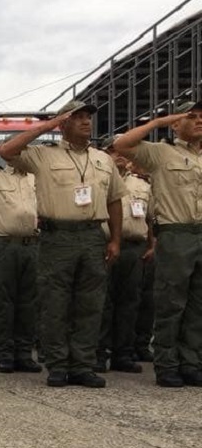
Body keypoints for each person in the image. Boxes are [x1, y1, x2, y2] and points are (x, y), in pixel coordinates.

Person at [0, 100, 125, 388]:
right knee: (54, 303)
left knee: (90, 303)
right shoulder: (44, 155)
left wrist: (115, 239)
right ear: (63, 123)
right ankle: (57, 365)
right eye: (77, 117)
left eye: (88, 117)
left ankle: (82, 365)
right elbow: (7, 151)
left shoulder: (102, 159)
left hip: (92, 235)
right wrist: (47, 126)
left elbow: (115, 200)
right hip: (57, 237)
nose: (86, 122)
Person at [113, 100, 202, 387]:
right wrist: (157, 122)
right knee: (171, 303)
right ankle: (167, 364)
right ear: (176, 124)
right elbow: (122, 144)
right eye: (192, 116)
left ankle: (191, 363)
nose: (199, 121)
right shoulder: (162, 153)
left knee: (197, 306)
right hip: (176, 234)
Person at [0, 146, 42, 373]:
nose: (21, 156)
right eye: (16, 151)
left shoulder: (36, 177)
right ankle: (5, 353)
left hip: (32, 244)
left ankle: (24, 353)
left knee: (29, 302)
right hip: (5, 244)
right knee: (3, 301)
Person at [97, 136, 153, 374]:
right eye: (113, 150)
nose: (119, 155)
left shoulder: (141, 184)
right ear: (105, 154)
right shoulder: (96, 179)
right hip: (103, 245)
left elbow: (151, 217)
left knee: (130, 302)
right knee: (102, 302)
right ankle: (98, 353)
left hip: (133, 248)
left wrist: (152, 244)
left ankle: (123, 353)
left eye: (123, 151)